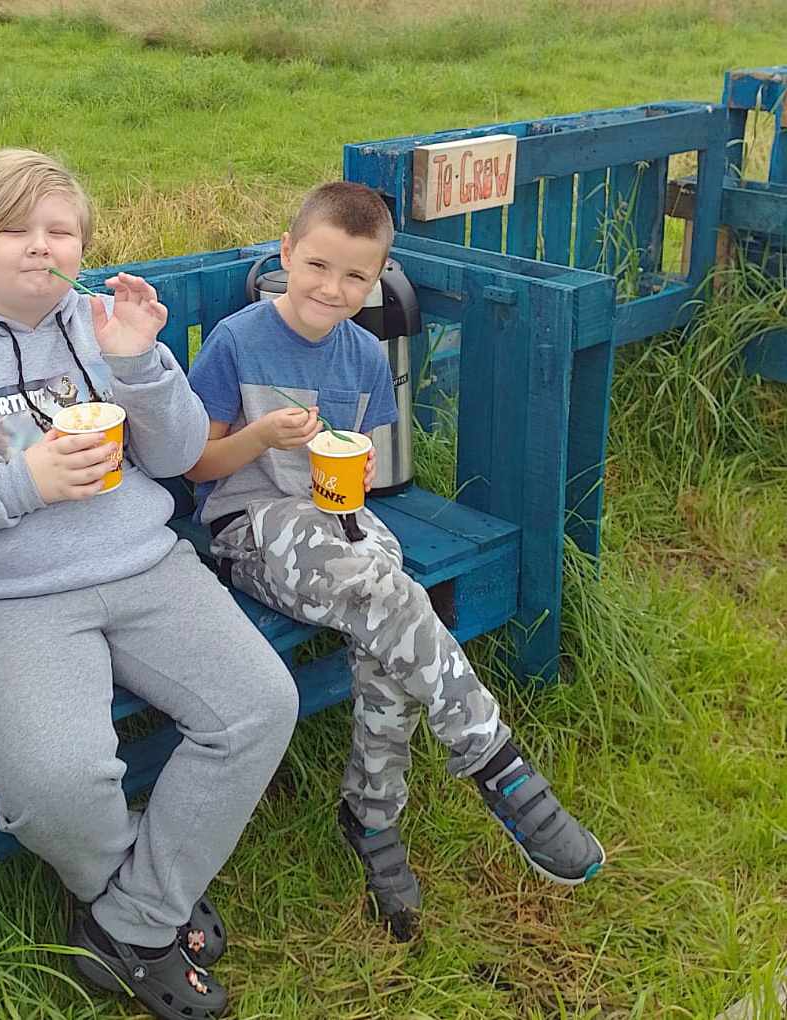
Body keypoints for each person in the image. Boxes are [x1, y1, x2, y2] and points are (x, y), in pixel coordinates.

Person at [0, 148, 299, 1019]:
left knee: (257, 707)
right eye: (13, 227)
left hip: (142, 563)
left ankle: (132, 921)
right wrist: (24, 482)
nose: (38, 244)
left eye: (59, 229)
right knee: (58, 784)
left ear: (81, 246)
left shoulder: (99, 329)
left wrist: (138, 364)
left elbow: (172, 459)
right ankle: (142, 901)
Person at [185, 180, 604, 941]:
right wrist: (261, 439)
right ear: (285, 255)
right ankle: (498, 767)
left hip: (337, 523)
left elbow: (365, 470)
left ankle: (371, 817)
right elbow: (195, 467)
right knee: (385, 597)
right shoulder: (237, 341)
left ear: (377, 278)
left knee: (390, 611)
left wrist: (344, 478)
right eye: (316, 266)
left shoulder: (364, 358)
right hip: (248, 524)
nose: (332, 289)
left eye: (355, 276)